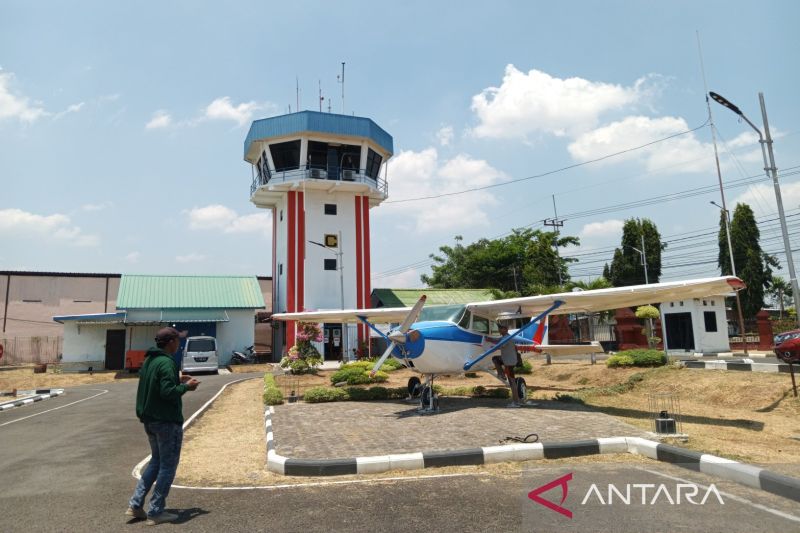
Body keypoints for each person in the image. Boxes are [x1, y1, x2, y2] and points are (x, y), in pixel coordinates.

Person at [126, 327, 199, 525]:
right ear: (170, 342)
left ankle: (135, 504)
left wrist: (178, 379)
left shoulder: (151, 360)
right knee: (168, 466)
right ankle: (156, 510)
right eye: (178, 340)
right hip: (166, 421)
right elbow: (167, 392)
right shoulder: (167, 362)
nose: (180, 344)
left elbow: (157, 384)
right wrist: (186, 386)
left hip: (149, 420)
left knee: (156, 462)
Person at [492, 324, 523, 408]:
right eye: (499, 328)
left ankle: (516, 402)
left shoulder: (506, 338)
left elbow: (498, 346)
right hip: (510, 361)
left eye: (501, 328)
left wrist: (490, 347)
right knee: (495, 359)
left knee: (512, 382)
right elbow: (499, 340)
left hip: (508, 363)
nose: (499, 330)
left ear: (506, 329)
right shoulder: (507, 337)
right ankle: (501, 374)